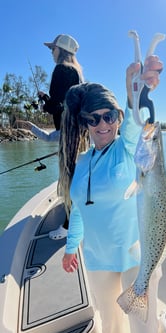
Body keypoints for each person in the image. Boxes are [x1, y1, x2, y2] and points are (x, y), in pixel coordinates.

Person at [59, 55, 163, 333]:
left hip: (135, 257)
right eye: (93, 118)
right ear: (85, 122)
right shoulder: (81, 162)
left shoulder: (128, 148)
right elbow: (80, 208)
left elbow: (137, 120)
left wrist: (138, 91)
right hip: (96, 258)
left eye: (109, 115)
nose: (102, 124)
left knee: (143, 327)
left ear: (117, 117)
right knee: (110, 325)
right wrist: (71, 247)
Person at [17, 34, 84, 239]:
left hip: (68, 134)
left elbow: (55, 107)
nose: (51, 52)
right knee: (77, 178)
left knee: (69, 180)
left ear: (60, 50)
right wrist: (47, 98)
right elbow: (64, 104)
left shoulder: (61, 69)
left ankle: (68, 227)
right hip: (78, 132)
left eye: (52, 49)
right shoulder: (76, 73)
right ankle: (76, 220)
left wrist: (46, 102)